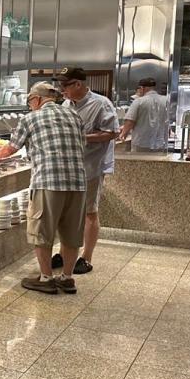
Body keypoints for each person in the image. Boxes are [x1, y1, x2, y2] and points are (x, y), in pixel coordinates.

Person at [0, 82, 86, 295]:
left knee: (41, 231)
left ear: (36, 99)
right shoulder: (75, 116)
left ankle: (46, 278)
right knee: (72, 233)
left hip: (48, 181)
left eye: (29, 102)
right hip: (78, 182)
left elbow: (11, 148)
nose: (29, 106)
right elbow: (82, 145)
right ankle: (67, 278)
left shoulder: (30, 118)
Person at [55, 66, 118, 274]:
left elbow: (111, 133)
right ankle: (65, 253)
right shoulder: (65, 104)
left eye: (65, 85)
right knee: (66, 212)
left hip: (91, 166)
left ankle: (87, 257)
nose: (61, 89)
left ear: (78, 84)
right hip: (68, 166)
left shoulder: (101, 104)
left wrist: (82, 137)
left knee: (89, 212)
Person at [118, 77, 169, 151]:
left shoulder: (139, 101)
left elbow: (130, 121)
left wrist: (123, 134)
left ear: (142, 88)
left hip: (141, 143)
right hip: (160, 143)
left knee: (140, 162)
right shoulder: (166, 100)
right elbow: (167, 120)